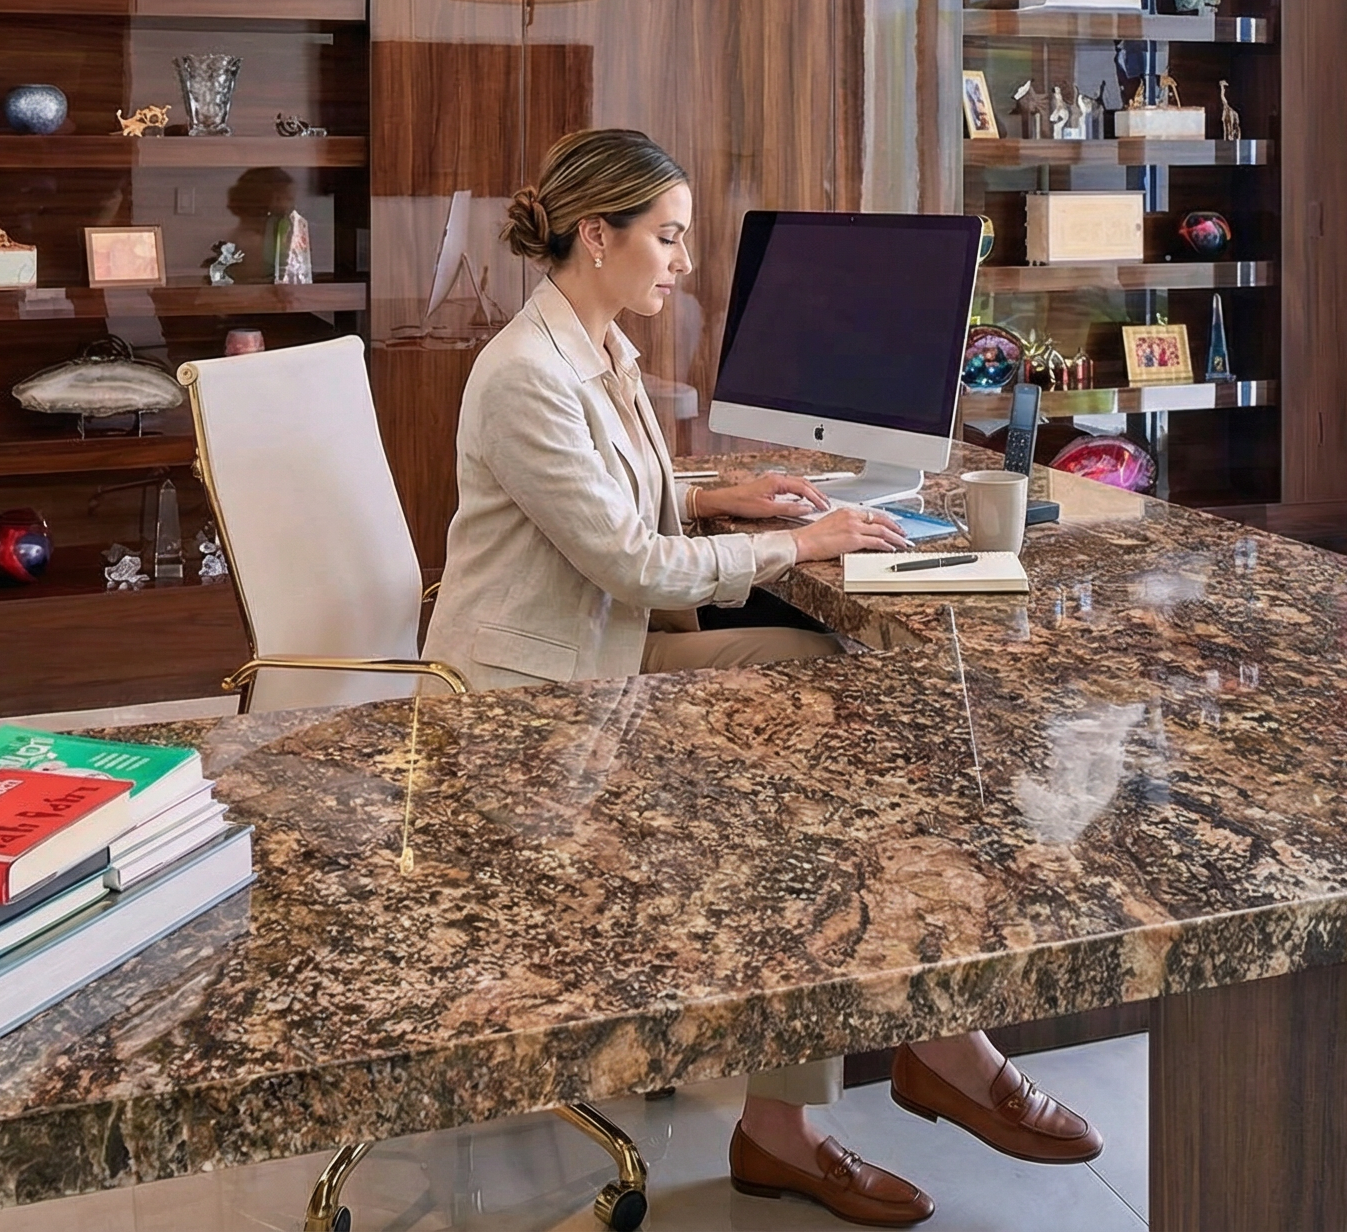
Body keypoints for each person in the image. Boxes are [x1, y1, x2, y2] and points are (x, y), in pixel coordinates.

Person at [423, 128, 1103, 1227]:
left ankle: (852, 1082)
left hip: (600, 653)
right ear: (595, 236)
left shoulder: (594, 346)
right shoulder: (526, 376)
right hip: (535, 701)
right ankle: (874, 1075)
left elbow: (625, 507)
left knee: (838, 706)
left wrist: (714, 499)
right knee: (820, 757)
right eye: (669, 238)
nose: (684, 263)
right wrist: (807, 541)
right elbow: (629, 567)